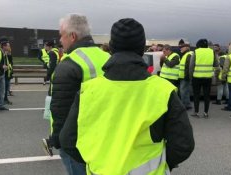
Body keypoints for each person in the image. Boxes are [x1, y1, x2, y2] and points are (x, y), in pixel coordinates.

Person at [59, 18, 194, 175]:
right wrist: (162, 163)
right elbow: (183, 144)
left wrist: (97, 160)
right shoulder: (163, 90)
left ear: (112, 47)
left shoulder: (88, 90)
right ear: (142, 48)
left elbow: (68, 140)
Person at [42, 13, 110, 175]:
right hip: (104, 133)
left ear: (72, 36)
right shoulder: (107, 57)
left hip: (75, 140)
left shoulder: (70, 63)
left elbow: (61, 109)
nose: (59, 40)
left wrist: (57, 139)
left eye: (61, 35)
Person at [189, 39, 219, 118]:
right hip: (208, 77)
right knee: (206, 95)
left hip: (196, 77)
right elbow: (216, 64)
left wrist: (190, 76)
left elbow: (191, 66)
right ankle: (206, 113)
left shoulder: (196, 52)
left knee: (196, 95)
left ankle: (196, 112)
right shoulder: (212, 52)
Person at [179, 43, 193, 110]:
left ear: (187, 48)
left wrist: (187, 76)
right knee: (186, 91)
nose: (180, 48)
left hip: (185, 76)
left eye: (182, 47)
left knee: (183, 91)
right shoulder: (186, 54)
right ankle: (187, 104)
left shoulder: (188, 54)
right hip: (183, 76)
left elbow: (188, 67)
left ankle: (184, 105)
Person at [0, 38, 13, 105]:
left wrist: (9, 54)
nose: (9, 47)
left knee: (6, 87)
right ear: (4, 46)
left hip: (7, 73)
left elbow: (10, 63)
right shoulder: (2, 53)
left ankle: (5, 99)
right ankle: (1, 101)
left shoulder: (7, 53)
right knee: (3, 88)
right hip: (3, 73)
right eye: (8, 46)